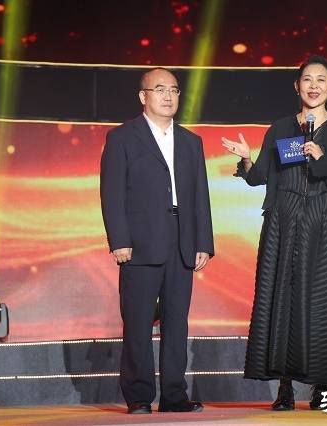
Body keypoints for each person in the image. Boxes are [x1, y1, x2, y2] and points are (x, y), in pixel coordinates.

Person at [221, 55, 327, 411]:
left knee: (323, 304)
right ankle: (285, 387)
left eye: (321, 80)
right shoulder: (280, 128)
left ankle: (321, 386)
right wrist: (247, 159)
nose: (314, 86)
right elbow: (260, 177)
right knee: (282, 302)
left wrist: (323, 159)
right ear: (297, 85)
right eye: (307, 79)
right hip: (283, 223)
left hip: (324, 224)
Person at [100, 67, 215, 415]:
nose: (168, 96)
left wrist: (203, 241)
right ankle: (138, 395)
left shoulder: (191, 142)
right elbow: (112, 193)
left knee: (177, 322)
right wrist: (119, 239)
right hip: (139, 242)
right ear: (143, 96)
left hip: (182, 240)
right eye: (160, 89)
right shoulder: (122, 137)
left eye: (174, 90)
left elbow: (200, 195)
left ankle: (174, 395)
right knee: (137, 322)